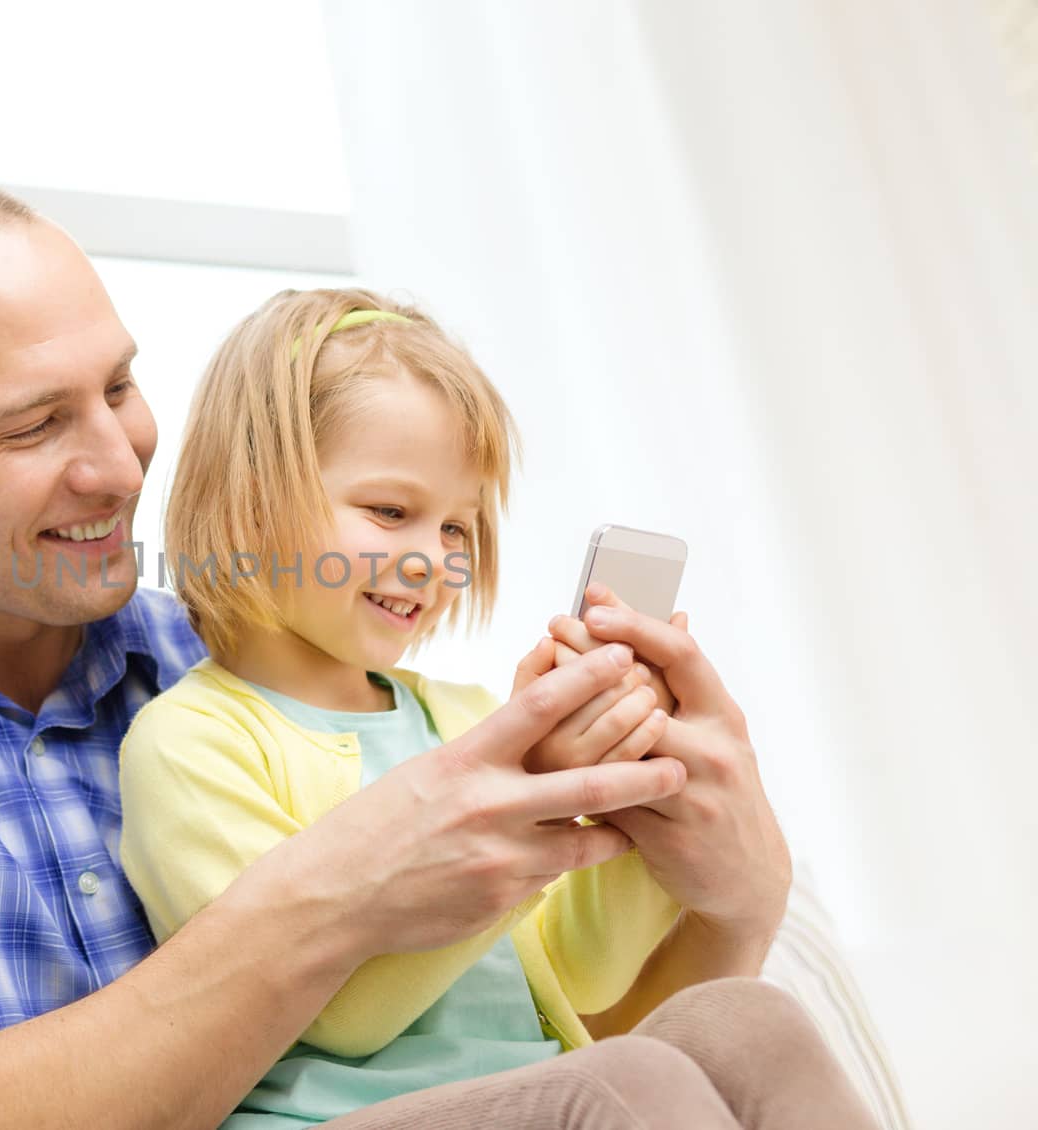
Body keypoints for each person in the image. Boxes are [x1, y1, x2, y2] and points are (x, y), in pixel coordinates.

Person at [0, 173, 811, 1130]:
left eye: (121, 387)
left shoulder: (273, 649)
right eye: (35, 423)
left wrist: (719, 891)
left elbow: (550, 1064)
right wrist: (340, 893)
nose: (120, 463)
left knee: (738, 1034)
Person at [117, 290, 882, 1129]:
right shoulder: (194, 741)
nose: (432, 561)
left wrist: (633, 801)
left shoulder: (464, 716)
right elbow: (339, 1019)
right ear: (252, 499)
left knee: (752, 1021)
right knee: (629, 1081)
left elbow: (574, 976)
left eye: (456, 528)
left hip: (531, 1100)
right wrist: (514, 823)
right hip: (335, 1118)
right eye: (391, 512)